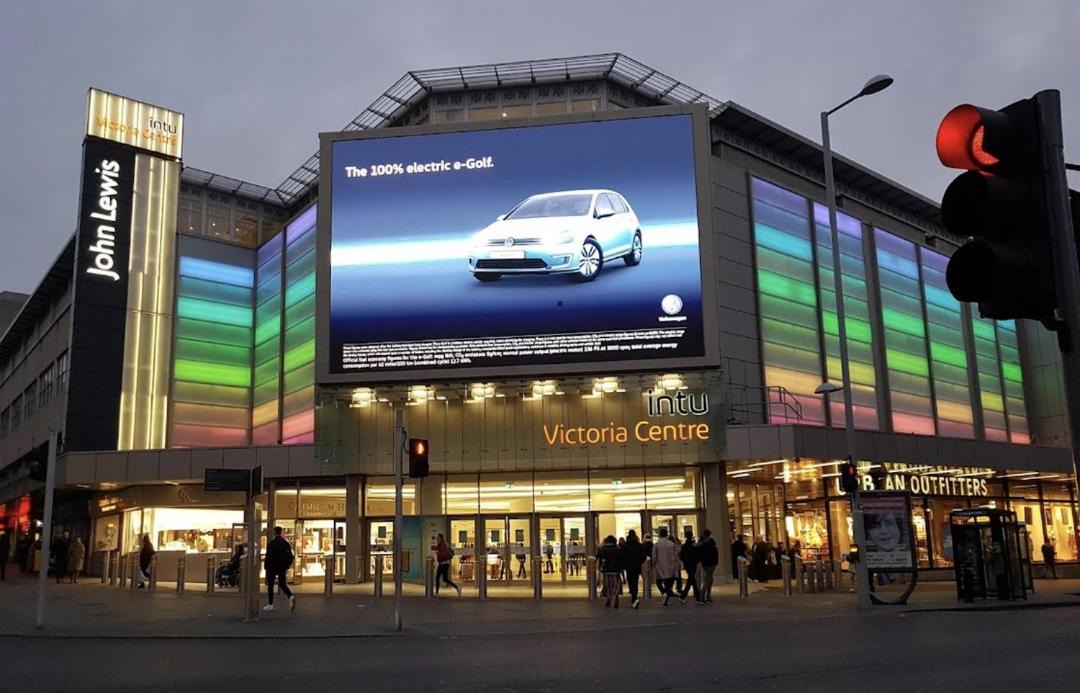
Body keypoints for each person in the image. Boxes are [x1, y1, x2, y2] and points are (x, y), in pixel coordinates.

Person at [263, 526, 295, 611]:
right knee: (282, 584)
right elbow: (291, 555)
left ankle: (270, 604)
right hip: (281, 567)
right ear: (281, 532)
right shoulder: (285, 543)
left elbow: (268, 556)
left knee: (270, 585)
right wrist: (286, 565)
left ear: (274, 532)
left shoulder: (271, 543)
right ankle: (290, 596)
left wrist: (266, 566)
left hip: (272, 567)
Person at [651, 527, 679, 607]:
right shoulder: (672, 544)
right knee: (668, 582)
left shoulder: (657, 545)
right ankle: (666, 594)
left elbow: (654, 556)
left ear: (660, 535)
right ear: (667, 534)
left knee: (658, 581)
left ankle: (664, 593)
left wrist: (653, 564)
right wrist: (677, 564)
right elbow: (676, 555)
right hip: (671, 565)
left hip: (660, 566)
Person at [621, 529, 647, 609]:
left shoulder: (625, 546)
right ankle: (634, 597)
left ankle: (633, 596)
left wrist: (624, 565)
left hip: (628, 567)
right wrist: (640, 562)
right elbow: (643, 556)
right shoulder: (639, 545)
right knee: (635, 582)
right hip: (636, 566)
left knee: (630, 581)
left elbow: (622, 556)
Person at [596, 535, 622, 608]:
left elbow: (599, 558)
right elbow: (621, 559)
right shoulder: (617, 548)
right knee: (616, 585)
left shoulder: (603, 549)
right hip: (616, 570)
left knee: (607, 585)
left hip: (606, 570)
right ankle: (616, 598)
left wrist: (600, 567)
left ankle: (608, 599)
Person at [678, 529, 702, 604]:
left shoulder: (684, 546)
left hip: (687, 564)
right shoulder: (694, 545)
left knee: (692, 579)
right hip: (693, 564)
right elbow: (698, 555)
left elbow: (681, 556)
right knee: (690, 580)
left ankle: (697, 597)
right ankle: (683, 596)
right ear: (692, 536)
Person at [697, 529, 719, 603]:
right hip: (712, 562)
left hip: (705, 562)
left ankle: (708, 596)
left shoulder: (701, 542)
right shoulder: (711, 541)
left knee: (710, 578)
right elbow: (716, 550)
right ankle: (702, 597)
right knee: (708, 579)